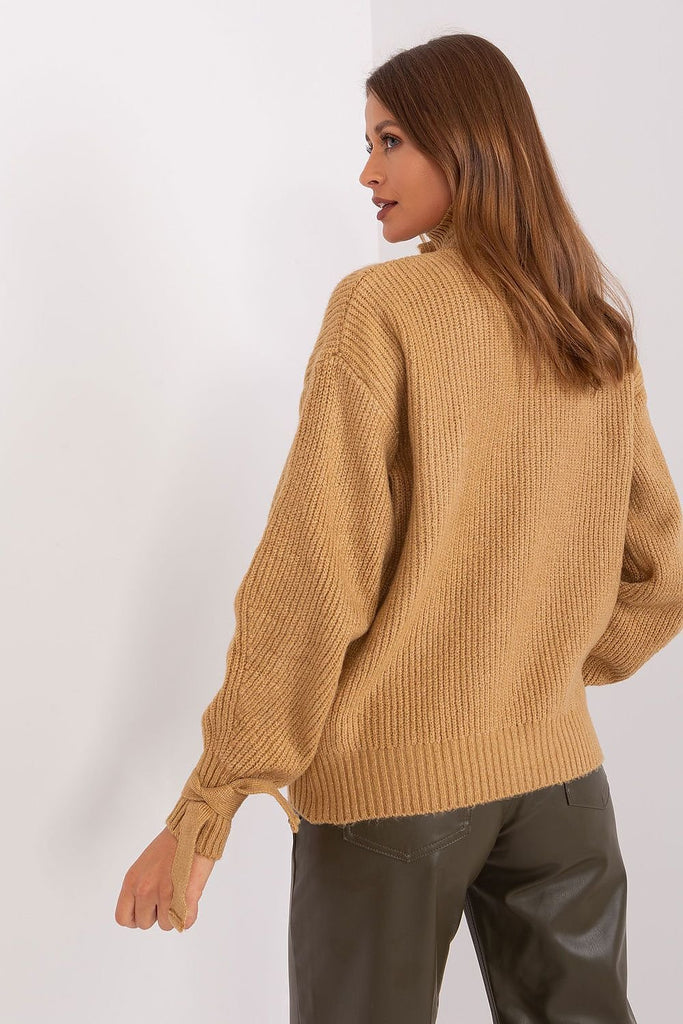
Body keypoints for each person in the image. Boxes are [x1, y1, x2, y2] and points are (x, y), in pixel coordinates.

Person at [115, 32, 683, 1024]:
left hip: (392, 794)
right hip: (561, 788)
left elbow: (312, 577)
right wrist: (533, 666)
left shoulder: (381, 309)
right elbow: (663, 566)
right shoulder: (586, 320)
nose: (366, 172)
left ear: (467, 143)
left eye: (390, 140)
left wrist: (208, 805)